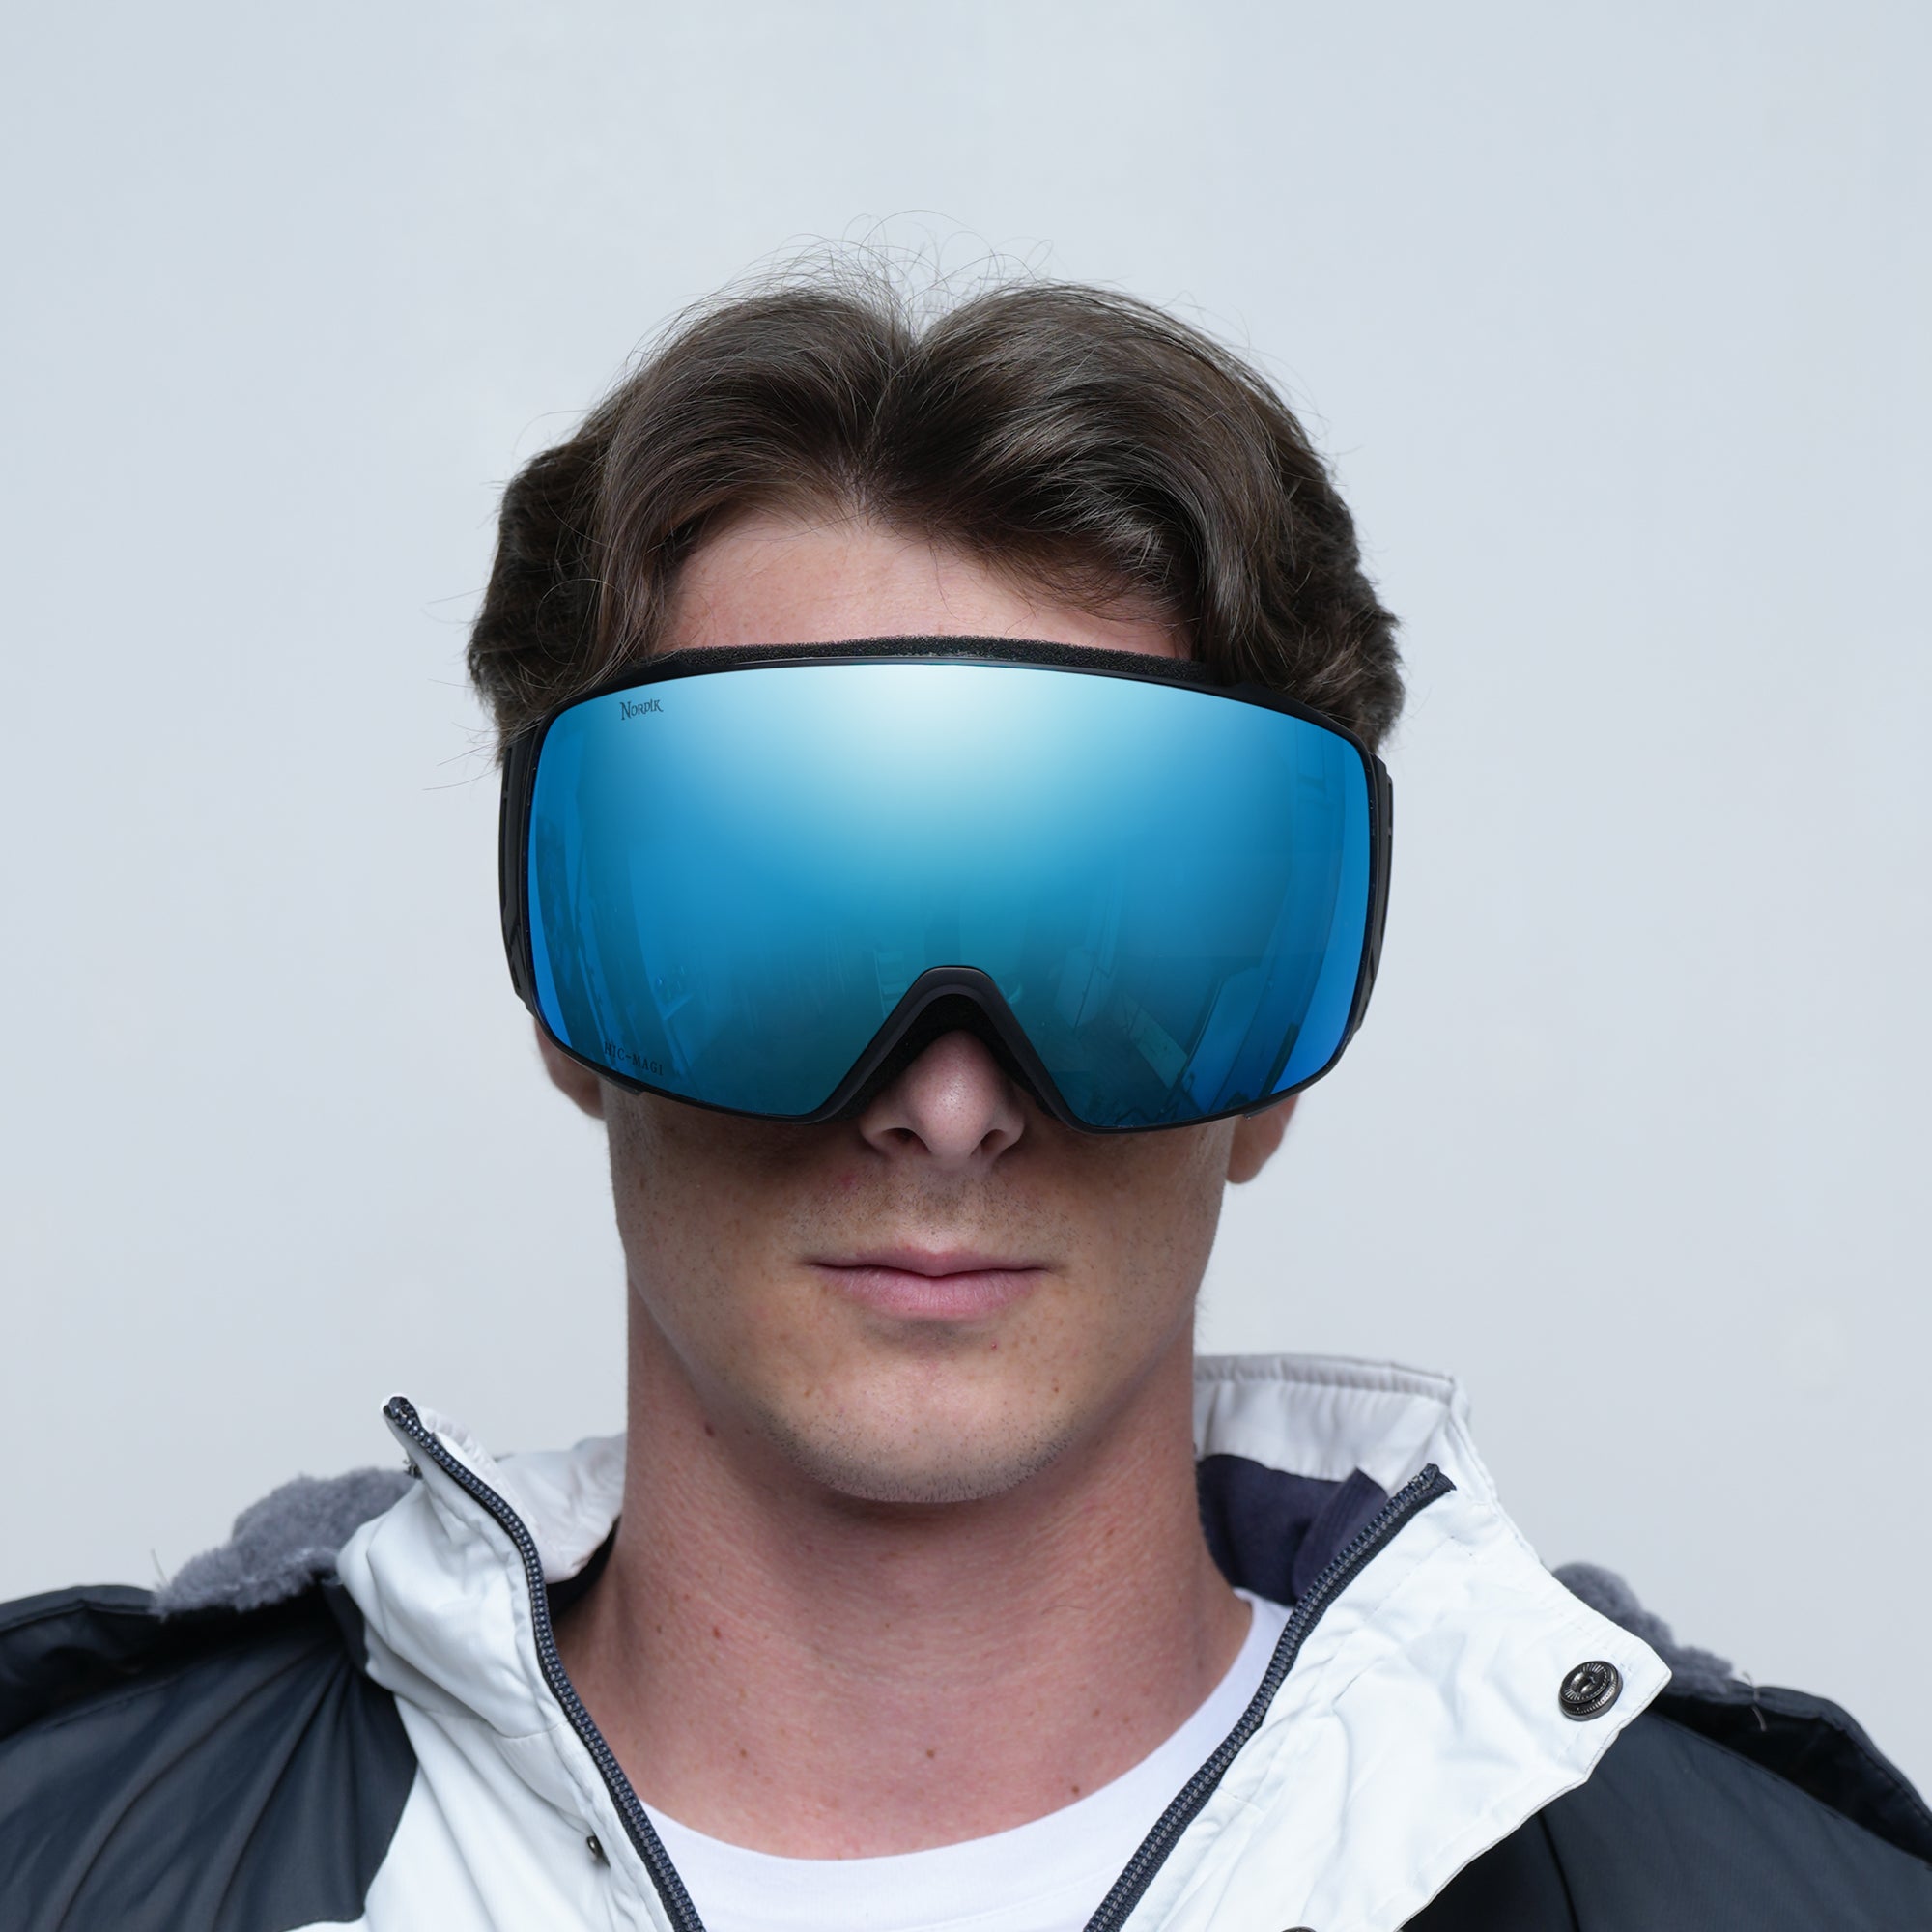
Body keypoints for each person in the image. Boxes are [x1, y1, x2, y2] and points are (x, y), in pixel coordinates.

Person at [5, 271, 1928, 1932]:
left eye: (1119, 942)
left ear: (1276, 1058)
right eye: (775, 923)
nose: (945, 1102)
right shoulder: (59, 1857)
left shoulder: (1771, 1900)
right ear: (565, 988)